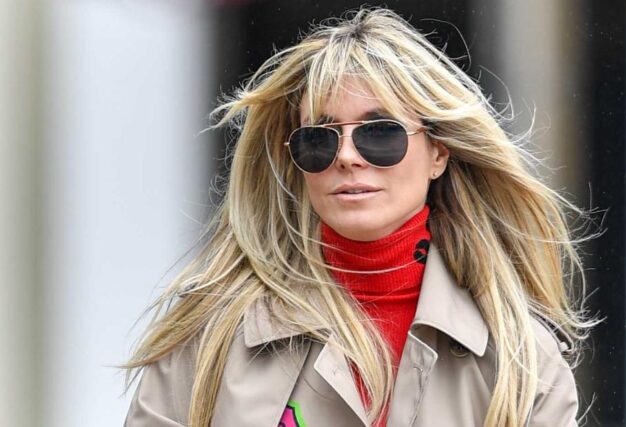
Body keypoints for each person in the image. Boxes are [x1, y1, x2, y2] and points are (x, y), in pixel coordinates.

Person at [121, 7, 598, 427]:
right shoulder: (210, 333)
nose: (347, 157)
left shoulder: (520, 355)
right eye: (319, 139)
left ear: (438, 152)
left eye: (380, 133)